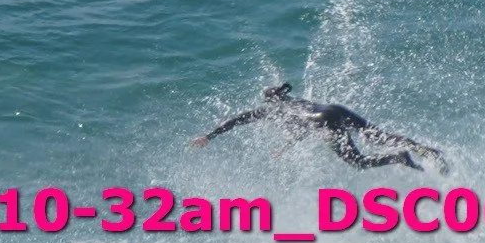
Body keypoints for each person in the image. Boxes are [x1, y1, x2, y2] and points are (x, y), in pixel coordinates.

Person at [191, 83, 448, 172]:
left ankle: (398, 157)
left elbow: (238, 120)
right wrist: (287, 146)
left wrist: (210, 136)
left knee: (357, 163)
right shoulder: (294, 101)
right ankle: (424, 149)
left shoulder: (270, 110)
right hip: (334, 109)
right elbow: (304, 126)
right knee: (379, 136)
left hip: (323, 122)